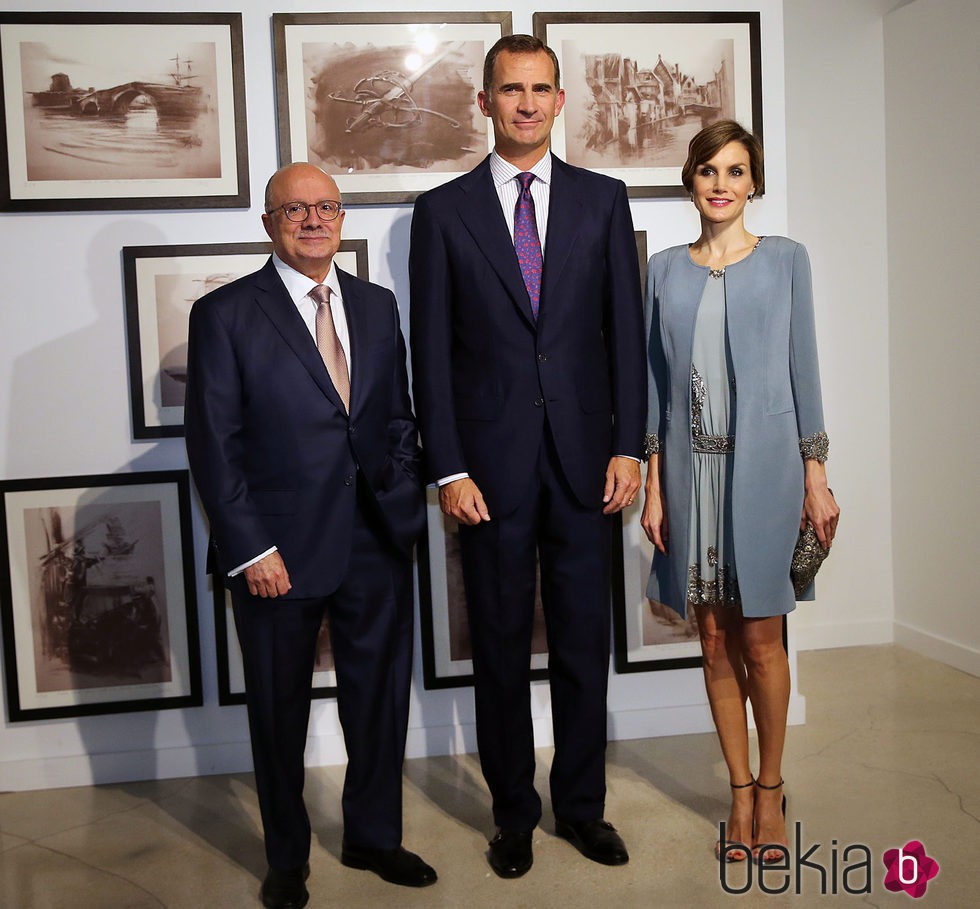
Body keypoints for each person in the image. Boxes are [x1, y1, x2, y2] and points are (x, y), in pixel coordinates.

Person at [409, 35, 646, 878]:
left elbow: (626, 334)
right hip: (489, 471)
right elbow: (429, 354)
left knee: (585, 644)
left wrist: (628, 445)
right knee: (502, 651)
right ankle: (514, 814)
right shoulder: (441, 213)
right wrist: (449, 466)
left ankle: (582, 809)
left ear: (560, 100)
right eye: (510, 90)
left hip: (588, 466)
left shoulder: (604, 200)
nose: (526, 103)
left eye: (541, 89)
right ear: (484, 103)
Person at [185, 163, 435, 909]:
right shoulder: (225, 314)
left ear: (342, 216)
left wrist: (399, 487)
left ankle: (373, 837)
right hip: (276, 553)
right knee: (277, 710)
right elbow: (214, 443)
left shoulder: (377, 304)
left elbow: (394, 416)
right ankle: (287, 859)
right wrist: (251, 548)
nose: (313, 219)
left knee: (380, 701)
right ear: (269, 222)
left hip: (375, 539)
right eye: (294, 208)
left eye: (325, 206)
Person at [640, 121, 840, 864]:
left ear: (753, 182)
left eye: (735, 170)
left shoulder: (787, 261)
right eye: (707, 170)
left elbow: (804, 369)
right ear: (690, 181)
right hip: (692, 478)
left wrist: (815, 474)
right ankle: (736, 790)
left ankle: (771, 784)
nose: (720, 183)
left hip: (764, 472)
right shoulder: (662, 270)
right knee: (714, 639)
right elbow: (655, 386)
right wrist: (655, 482)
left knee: (762, 638)